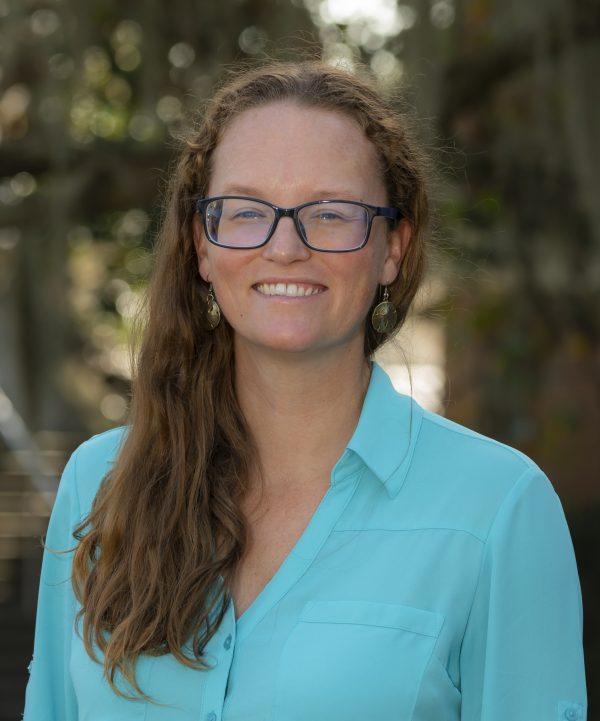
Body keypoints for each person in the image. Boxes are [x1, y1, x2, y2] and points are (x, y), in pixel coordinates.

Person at [24, 61, 586, 721]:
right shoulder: (99, 483)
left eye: (330, 213)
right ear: (203, 245)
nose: (285, 246)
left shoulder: (498, 507)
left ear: (392, 247)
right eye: (245, 210)